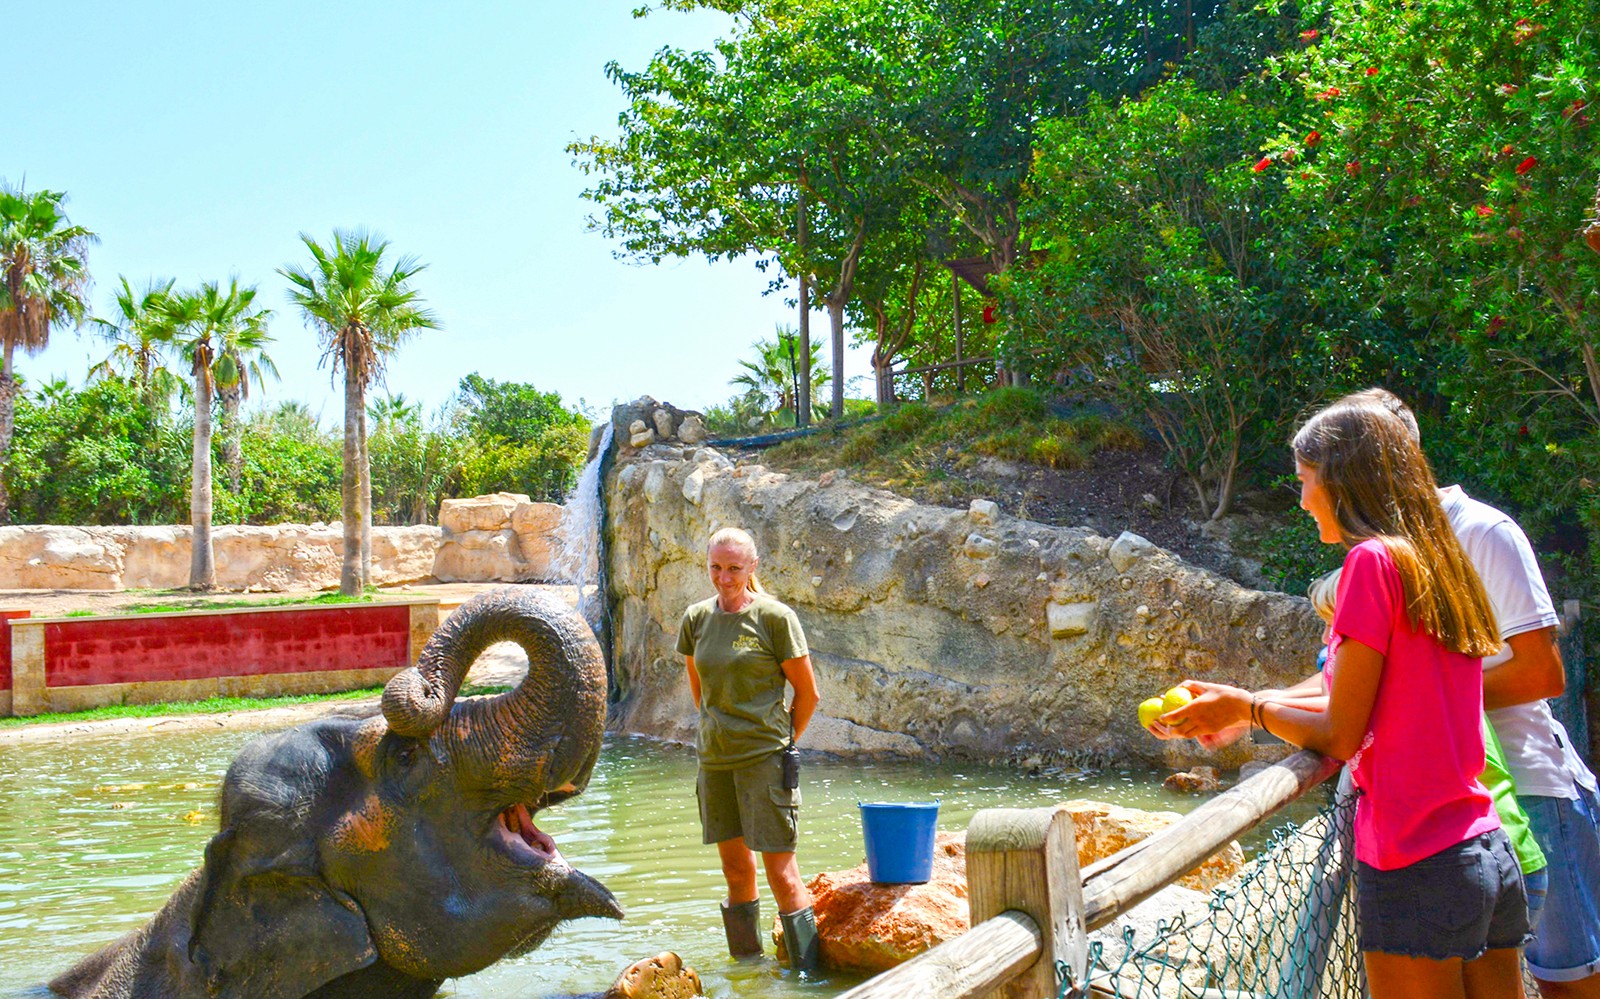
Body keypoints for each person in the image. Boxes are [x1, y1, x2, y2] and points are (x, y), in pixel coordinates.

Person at [1164, 397, 1529, 999]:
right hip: (1484, 850)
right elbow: (1389, 704)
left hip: (1417, 861)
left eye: (1307, 482)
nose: (1303, 500)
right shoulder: (1438, 560)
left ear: (1342, 483)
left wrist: (1247, 710)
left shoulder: (1371, 564)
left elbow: (1340, 732)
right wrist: (1244, 702)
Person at [677, 527, 821, 972]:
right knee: (736, 873)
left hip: (764, 760)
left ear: (753, 566)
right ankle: (747, 971)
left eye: (734, 568)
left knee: (781, 873)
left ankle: (808, 976)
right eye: (715, 567)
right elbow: (700, 693)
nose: (723, 577)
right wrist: (720, 732)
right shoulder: (696, 619)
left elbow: (808, 695)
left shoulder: (775, 618)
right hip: (715, 762)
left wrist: (777, 742)